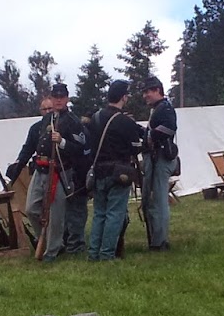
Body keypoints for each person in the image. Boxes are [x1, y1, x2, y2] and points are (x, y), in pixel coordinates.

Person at [14, 84, 87, 261]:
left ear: (67, 99)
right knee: (31, 209)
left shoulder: (73, 122)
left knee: (56, 215)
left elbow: (81, 148)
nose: (58, 100)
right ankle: (48, 240)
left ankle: (52, 251)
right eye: (55, 97)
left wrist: (62, 142)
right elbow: (31, 146)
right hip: (40, 169)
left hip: (60, 172)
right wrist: (18, 164)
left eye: (62, 96)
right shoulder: (46, 121)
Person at [87, 80, 145, 261]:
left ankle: (93, 253)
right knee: (115, 214)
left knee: (99, 214)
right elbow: (136, 148)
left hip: (98, 171)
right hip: (118, 172)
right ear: (124, 97)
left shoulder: (95, 118)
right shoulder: (125, 121)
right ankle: (107, 254)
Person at [141, 76, 178, 251]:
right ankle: (157, 238)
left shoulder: (165, 108)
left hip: (161, 157)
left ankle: (160, 240)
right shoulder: (159, 108)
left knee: (160, 199)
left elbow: (169, 128)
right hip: (156, 156)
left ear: (157, 90)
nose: (145, 95)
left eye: (148, 91)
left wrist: (148, 136)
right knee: (155, 199)